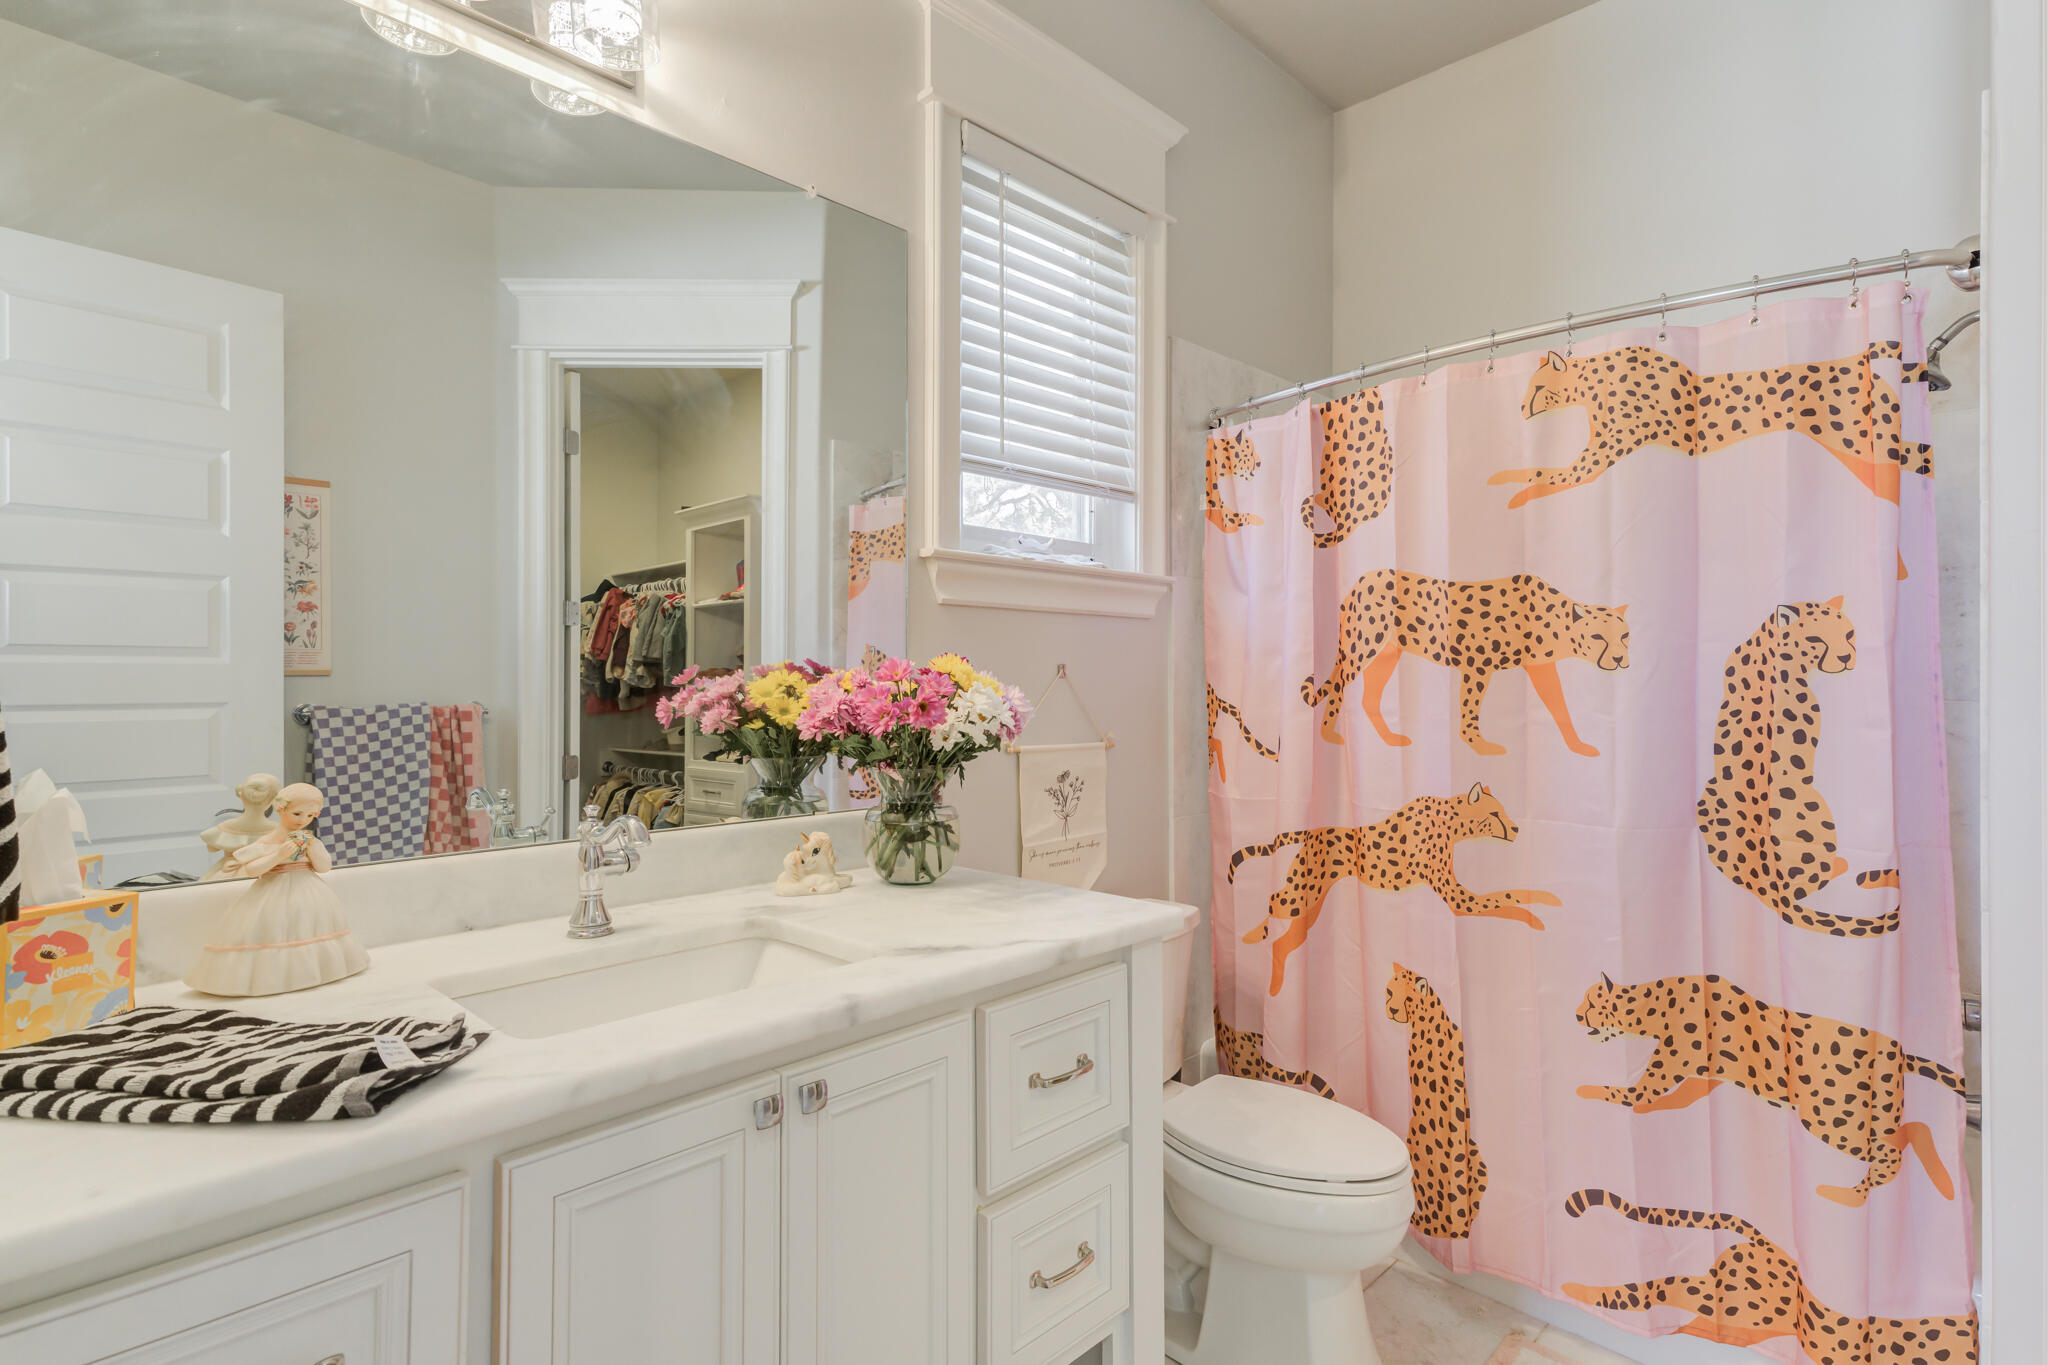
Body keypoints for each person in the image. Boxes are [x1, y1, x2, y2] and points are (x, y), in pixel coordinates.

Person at [183, 783, 369, 996]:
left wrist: (313, 848)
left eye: (310, 815)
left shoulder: (308, 839)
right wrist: (278, 856)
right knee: (272, 929)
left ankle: (314, 972)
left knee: (311, 927)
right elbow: (252, 869)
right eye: (297, 813)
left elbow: (324, 867)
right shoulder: (268, 840)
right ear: (281, 810)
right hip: (274, 890)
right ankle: (271, 980)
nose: (302, 820)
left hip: (309, 891)